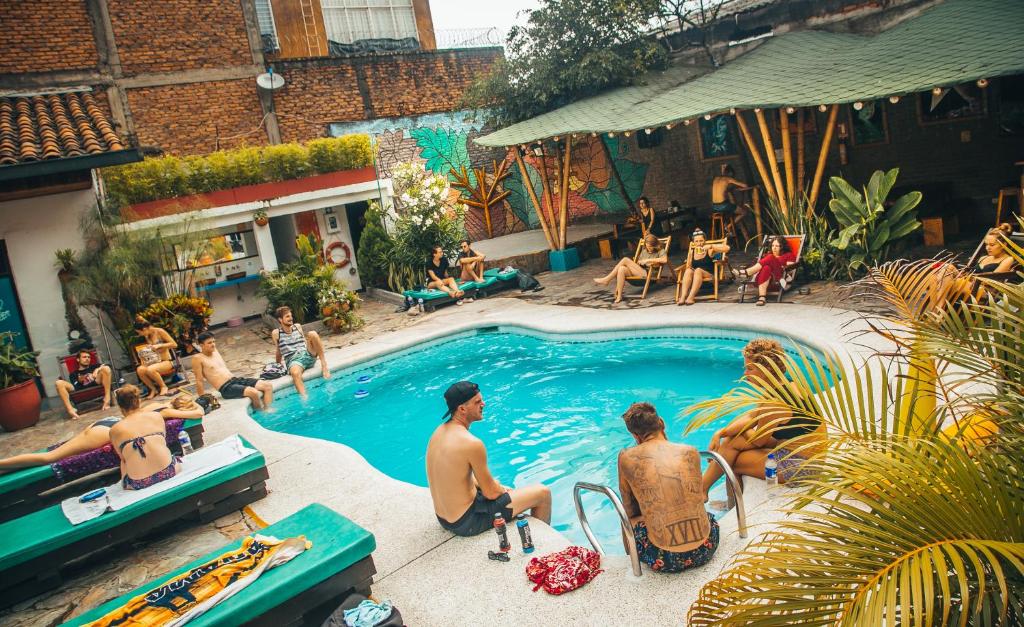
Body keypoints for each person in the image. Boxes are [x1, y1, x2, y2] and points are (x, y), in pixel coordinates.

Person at [426, 381, 552, 536]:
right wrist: (500, 488)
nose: (483, 404)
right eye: (477, 402)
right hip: (468, 523)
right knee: (543, 493)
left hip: (445, 519)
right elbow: (491, 493)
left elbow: (454, 476)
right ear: (462, 409)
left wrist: (497, 488)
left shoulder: (438, 433)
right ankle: (544, 544)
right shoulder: (471, 443)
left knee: (499, 488)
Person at [701, 339, 823, 497]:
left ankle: (722, 502)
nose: (745, 374)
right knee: (732, 442)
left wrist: (738, 434)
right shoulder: (788, 384)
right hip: (801, 454)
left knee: (730, 461)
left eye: (749, 369)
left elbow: (759, 441)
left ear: (766, 369)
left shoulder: (774, 402)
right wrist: (721, 433)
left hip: (802, 468)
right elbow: (752, 416)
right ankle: (704, 489)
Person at [618, 402, 719, 573]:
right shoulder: (691, 451)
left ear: (636, 436)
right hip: (707, 547)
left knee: (626, 517)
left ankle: (631, 558)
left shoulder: (626, 457)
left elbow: (629, 508)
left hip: (663, 557)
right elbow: (697, 496)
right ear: (662, 423)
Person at [0, 393, 205, 473]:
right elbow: (199, 412)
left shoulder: (155, 404)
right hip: (105, 432)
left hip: (108, 424)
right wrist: (194, 405)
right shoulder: (166, 411)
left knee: (53, 453)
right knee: (50, 457)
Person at [109, 385, 181, 490]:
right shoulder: (156, 416)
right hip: (168, 471)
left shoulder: (114, 429)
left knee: (123, 459)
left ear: (120, 407)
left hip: (138, 483)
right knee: (160, 445)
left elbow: (123, 458)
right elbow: (163, 442)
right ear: (139, 400)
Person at [931, 223, 1017, 306]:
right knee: (946, 268)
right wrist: (965, 275)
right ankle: (937, 310)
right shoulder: (983, 258)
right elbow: (969, 272)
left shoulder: (1007, 259)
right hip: (971, 284)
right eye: (986, 244)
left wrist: (970, 278)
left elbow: (992, 280)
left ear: (1003, 244)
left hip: (984, 291)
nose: (988, 248)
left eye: (992, 245)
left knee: (944, 281)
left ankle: (938, 310)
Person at [192, 331, 274, 410]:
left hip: (235, 380)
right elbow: (199, 380)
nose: (213, 344)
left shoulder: (215, 351)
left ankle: (268, 409)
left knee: (267, 386)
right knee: (253, 392)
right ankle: (260, 412)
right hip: (226, 388)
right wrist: (202, 399)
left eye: (213, 341)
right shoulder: (198, 358)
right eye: (209, 343)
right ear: (201, 345)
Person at [272, 305, 330, 398]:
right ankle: (305, 398)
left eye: (291, 316)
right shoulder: (276, 333)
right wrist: (277, 365)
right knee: (295, 373)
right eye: (287, 316)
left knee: (313, 334)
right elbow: (279, 350)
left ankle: (324, 365)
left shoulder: (297, 326)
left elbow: (305, 342)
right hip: (293, 361)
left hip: (307, 355)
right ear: (280, 319)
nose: (291, 318)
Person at [593, 233, 668, 304]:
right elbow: (639, 261)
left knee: (625, 259)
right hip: (641, 271)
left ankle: (607, 279)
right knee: (621, 268)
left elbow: (664, 260)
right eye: (647, 246)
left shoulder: (660, 251)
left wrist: (648, 260)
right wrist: (641, 262)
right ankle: (619, 296)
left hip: (649, 274)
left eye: (650, 247)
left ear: (654, 245)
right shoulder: (645, 251)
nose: (648, 248)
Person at [732, 235, 797, 306]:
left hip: (777, 282)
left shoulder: (788, 255)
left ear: (782, 247)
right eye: (772, 245)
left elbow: (790, 268)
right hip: (762, 281)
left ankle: (747, 273)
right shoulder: (767, 255)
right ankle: (762, 297)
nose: (774, 248)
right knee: (766, 267)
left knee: (770, 258)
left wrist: (777, 265)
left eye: (777, 246)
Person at [55, 349, 113, 420]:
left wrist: (97, 370)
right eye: (84, 357)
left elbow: (108, 366)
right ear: (78, 359)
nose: (87, 359)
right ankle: (70, 410)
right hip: (79, 389)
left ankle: (107, 399)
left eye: (89, 357)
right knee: (58, 383)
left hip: (96, 383)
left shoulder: (95, 366)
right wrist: (81, 379)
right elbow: (75, 385)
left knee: (106, 369)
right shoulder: (74, 373)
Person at [677, 229, 730, 306]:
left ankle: (691, 297)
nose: (699, 243)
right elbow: (689, 267)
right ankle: (683, 297)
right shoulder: (692, 252)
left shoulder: (709, 250)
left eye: (701, 241)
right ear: (693, 242)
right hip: (696, 275)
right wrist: (688, 266)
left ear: (705, 240)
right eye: (697, 241)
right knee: (688, 270)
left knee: (698, 270)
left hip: (710, 275)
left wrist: (711, 246)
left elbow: (727, 248)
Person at [133, 318, 178, 399]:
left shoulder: (160, 331)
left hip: (166, 361)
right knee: (140, 369)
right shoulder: (147, 336)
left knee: (150, 369)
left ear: (144, 329)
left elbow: (174, 344)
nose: (140, 335)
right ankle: (153, 389)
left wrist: (159, 345)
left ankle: (163, 386)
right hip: (154, 361)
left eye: (139, 332)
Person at [711, 165, 750, 238]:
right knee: (744, 212)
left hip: (714, 206)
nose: (732, 177)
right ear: (729, 173)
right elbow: (745, 185)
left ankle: (726, 225)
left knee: (729, 209)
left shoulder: (715, 178)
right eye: (732, 175)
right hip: (723, 206)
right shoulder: (728, 179)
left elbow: (722, 179)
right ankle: (728, 227)